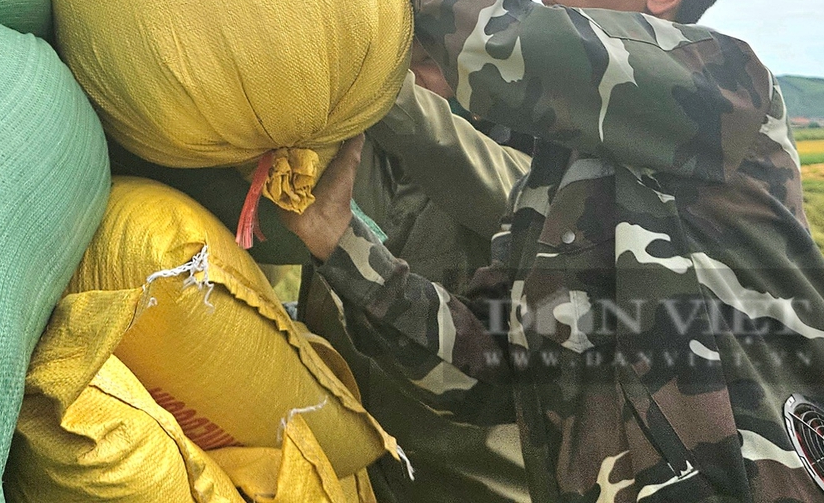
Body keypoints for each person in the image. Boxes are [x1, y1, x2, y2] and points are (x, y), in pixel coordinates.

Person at [283, 0, 824, 503]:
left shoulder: (723, 81)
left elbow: (500, 39)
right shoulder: (551, 191)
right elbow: (489, 370)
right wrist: (343, 246)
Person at [113, 61, 533, 503]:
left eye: (430, 60)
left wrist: (377, 70)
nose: (416, 68)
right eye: (411, 54)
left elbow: (459, 156)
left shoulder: (537, 197)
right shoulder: (374, 163)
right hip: (357, 459)